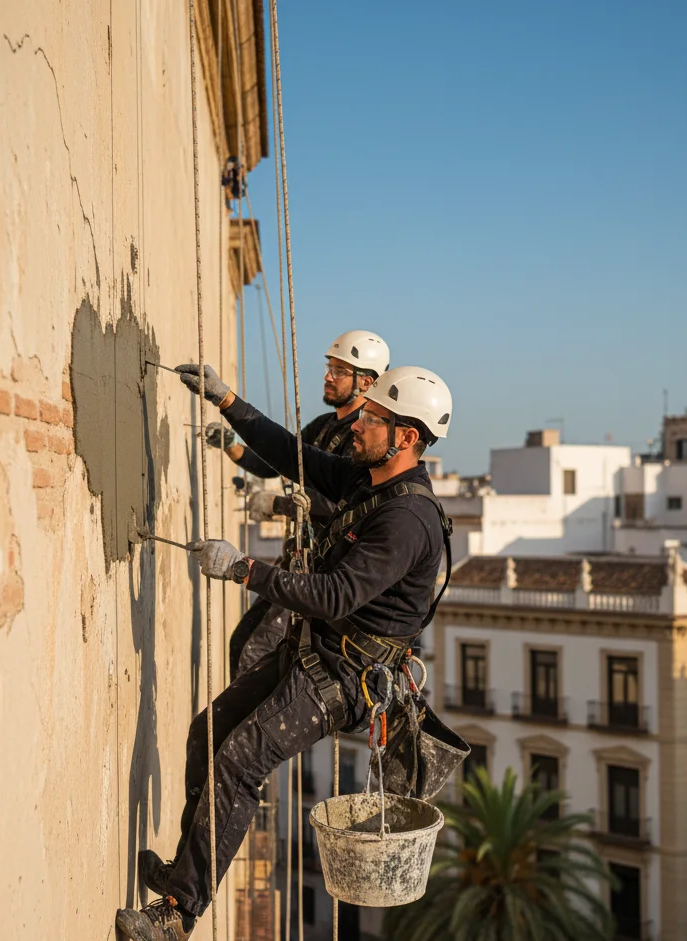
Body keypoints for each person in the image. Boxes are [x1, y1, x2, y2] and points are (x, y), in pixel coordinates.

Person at [114, 361, 453, 941]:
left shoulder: (407, 519)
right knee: (209, 734)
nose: (358, 425)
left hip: (344, 678)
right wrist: (228, 401)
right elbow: (293, 455)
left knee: (240, 761)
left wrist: (244, 568)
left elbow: (336, 593)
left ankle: (177, 912)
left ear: (408, 438)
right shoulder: (366, 482)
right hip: (315, 651)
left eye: (374, 418)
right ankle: (184, 869)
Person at [217, 330, 390, 678]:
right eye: (330, 368)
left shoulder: (362, 442)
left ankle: (251, 730)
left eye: (339, 371)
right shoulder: (324, 427)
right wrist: (231, 446)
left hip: (318, 572)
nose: (328, 377)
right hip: (297, 558)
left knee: (255, 651)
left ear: (367, 383)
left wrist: (280, 505)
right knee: (246, 646)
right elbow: (277, 458)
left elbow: (342, 503)